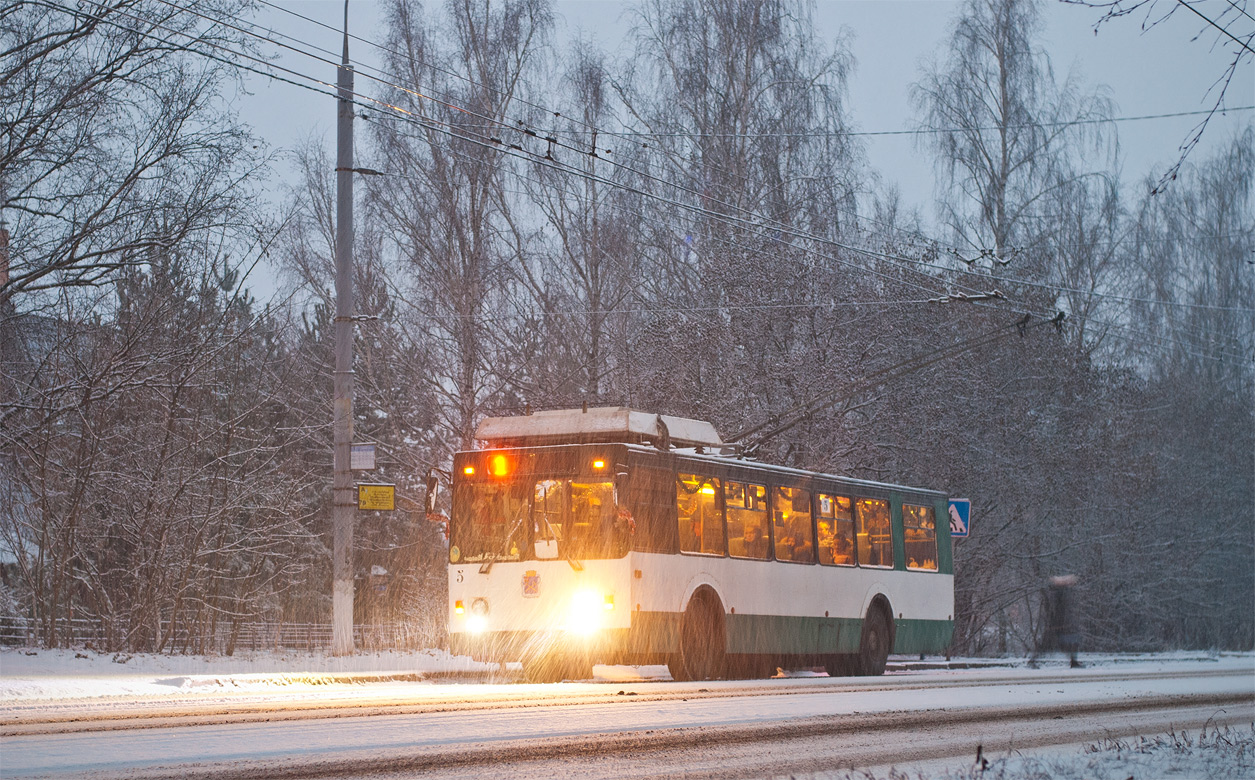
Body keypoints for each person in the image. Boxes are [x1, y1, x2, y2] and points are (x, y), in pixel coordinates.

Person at [1031, 574, 1082, 668]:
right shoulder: (1060, 593)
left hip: (1057, 625)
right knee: (1066, 644)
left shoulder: (1055, 593)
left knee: (1066, 644)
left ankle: (1033, 661)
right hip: (1058, 625)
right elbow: (1060, 610)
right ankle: (1073, 662)